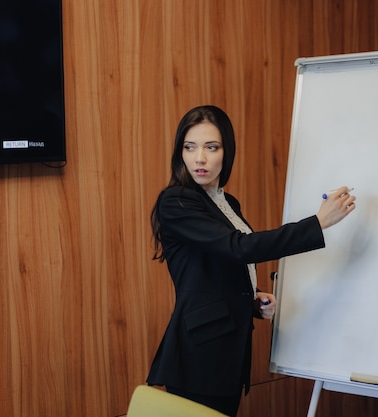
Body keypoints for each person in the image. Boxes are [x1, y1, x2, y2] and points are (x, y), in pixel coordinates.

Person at [146, 105, 356, 416]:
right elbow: (239, 248)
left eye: (211, 147)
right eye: (189, 147)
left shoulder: (226, 202)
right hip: (199, 354)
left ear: (225, 152)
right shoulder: (176, 200)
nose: (199, 158)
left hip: (228, 350)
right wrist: (317, 223)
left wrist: (252, 300)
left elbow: (221, 265)